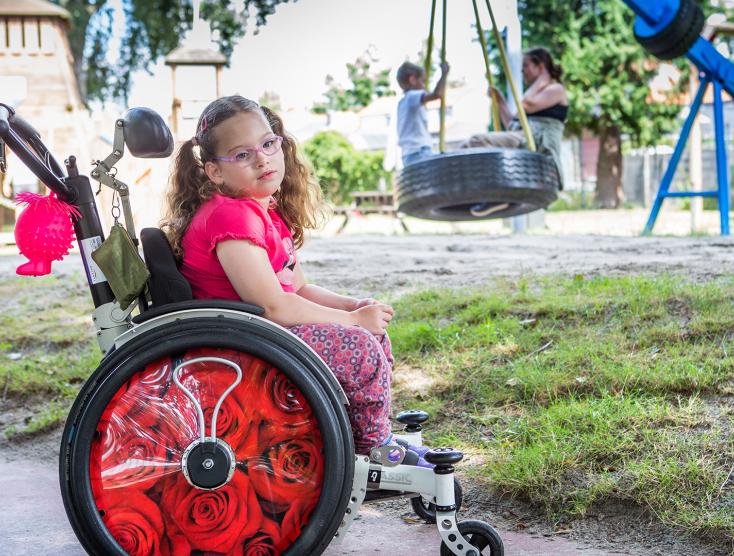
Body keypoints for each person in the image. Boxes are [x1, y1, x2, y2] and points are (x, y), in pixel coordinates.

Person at [161, 95, 426, 463]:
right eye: (242, 155)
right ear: (215, 172)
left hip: (262, 333)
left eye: (268, 144)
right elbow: (272, 306)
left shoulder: (260, 211)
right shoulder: (230, 219)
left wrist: (352, 306)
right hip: (240, 345)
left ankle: (362, 438)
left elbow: (297, 287)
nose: (262, 158)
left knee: (373, 334)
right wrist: (351, 322)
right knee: (360, 348)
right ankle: (375, 451)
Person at [464, 47, 568, 216]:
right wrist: (500, 101)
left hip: (539, 142)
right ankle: (468, 194)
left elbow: (527, 104)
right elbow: (512, 124)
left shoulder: (555, 89)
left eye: (526, 66)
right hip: (524, 137)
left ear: (540, 67)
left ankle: (502, 194)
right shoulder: (536, 94)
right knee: (466, 146)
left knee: (478, 140)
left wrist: (542, 80)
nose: (522, 71)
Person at [396, 60, 450, 166]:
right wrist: (444, 74)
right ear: (412, 80)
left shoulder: (404, 102)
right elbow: (437, 94)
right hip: (418, 151)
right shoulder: (411, 96)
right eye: (423, 81)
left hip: (410, 153)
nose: (425, 86)